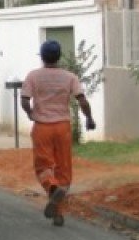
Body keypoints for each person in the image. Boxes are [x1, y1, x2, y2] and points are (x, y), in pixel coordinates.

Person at [20, 40, 96, 227]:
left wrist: (30, 113)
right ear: (59, 56)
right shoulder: (70, 77)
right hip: (63, 127)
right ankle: (58, 213)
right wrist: (89, 118)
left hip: (42, 127)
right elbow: (82, 101)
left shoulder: (33, 76)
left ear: (42, 56)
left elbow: (24, 100)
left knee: (43, 167)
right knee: (63, 169)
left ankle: (52, 188)